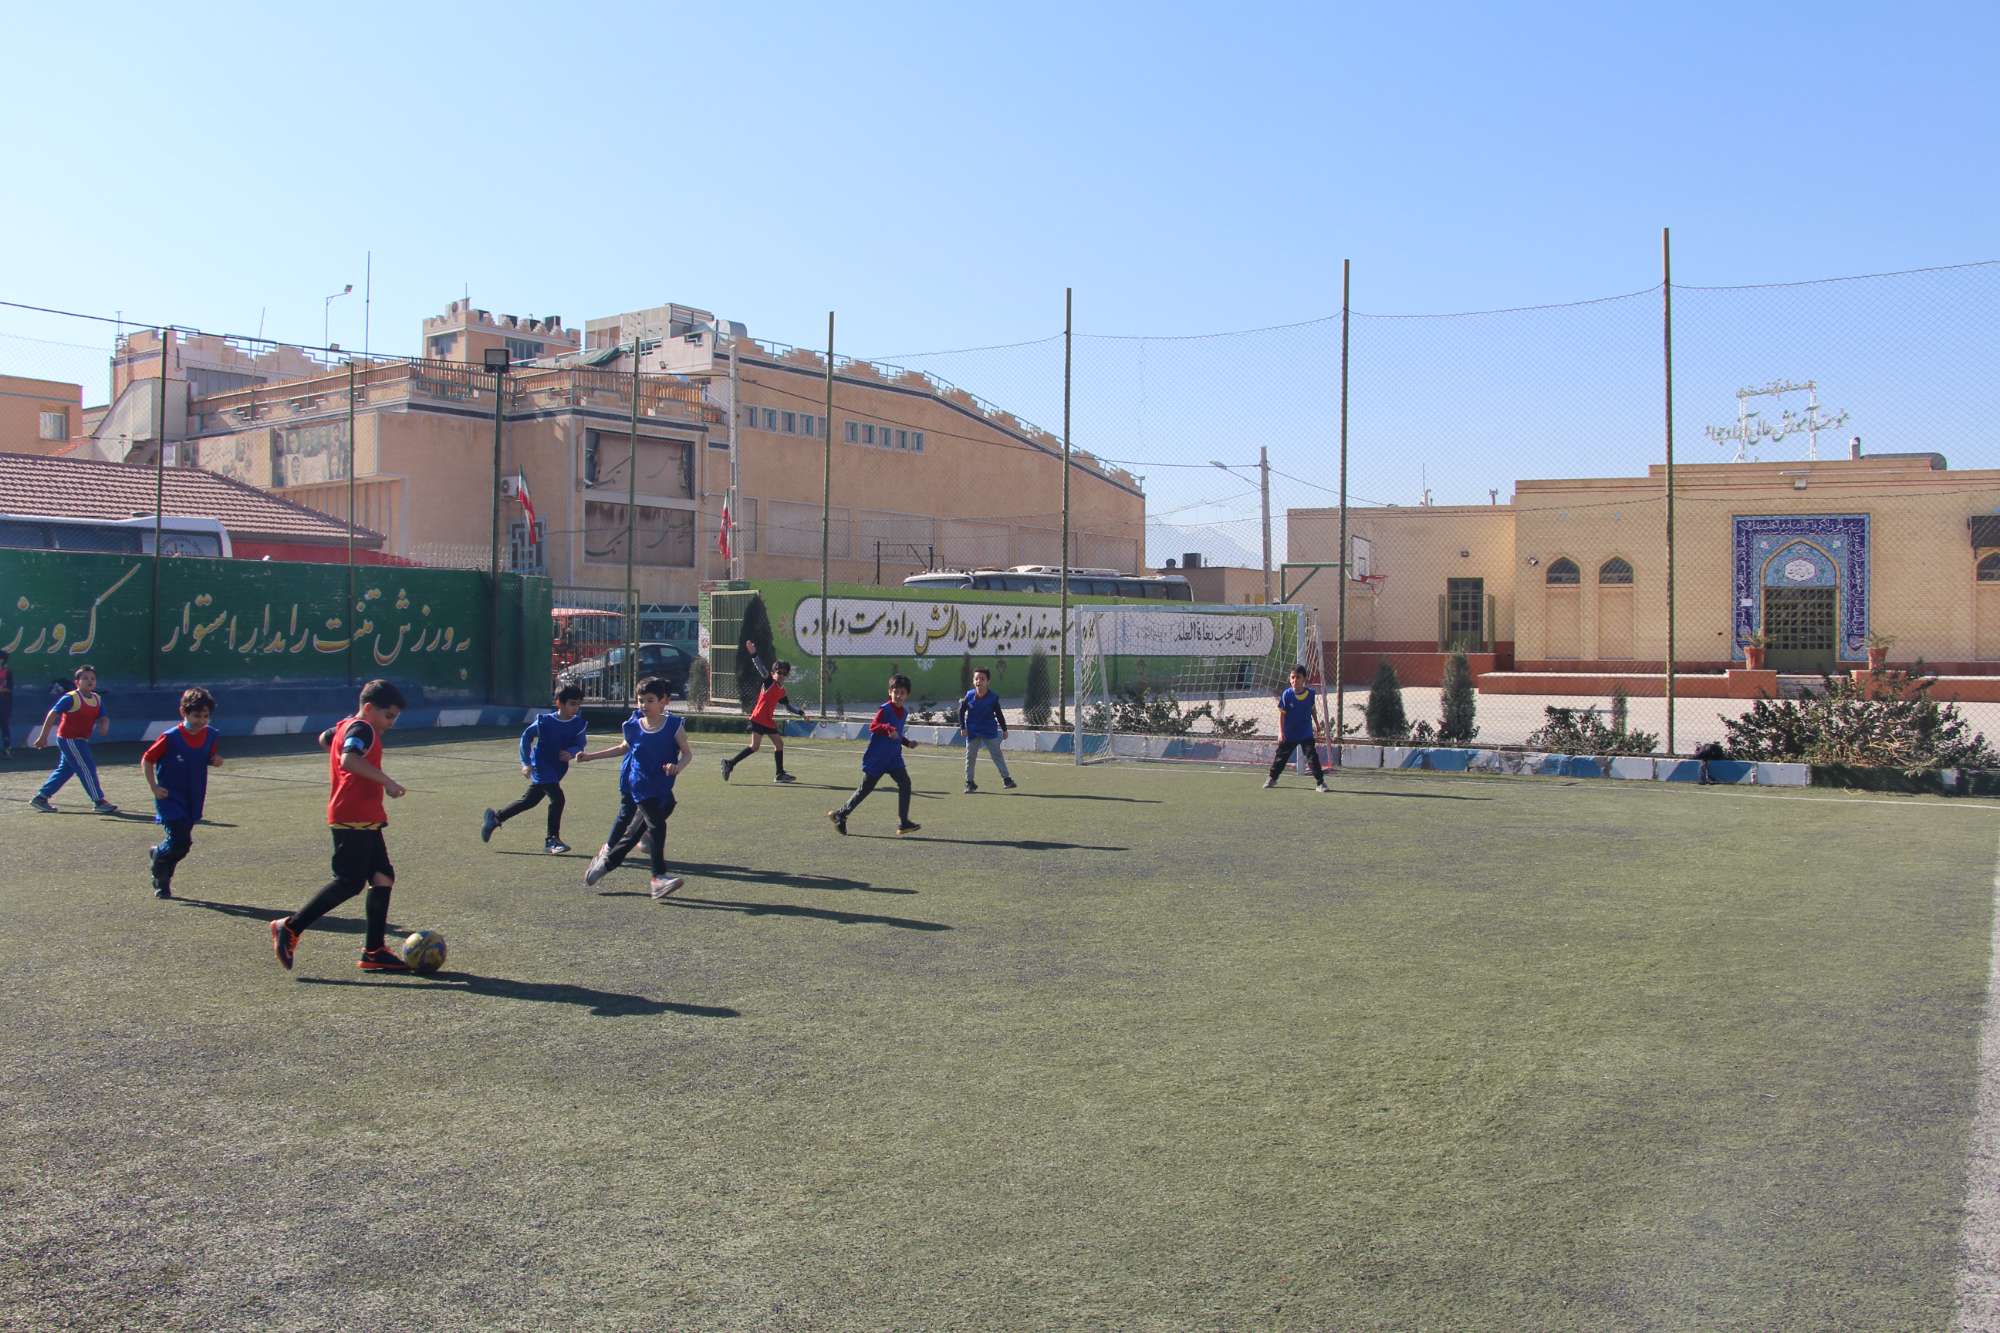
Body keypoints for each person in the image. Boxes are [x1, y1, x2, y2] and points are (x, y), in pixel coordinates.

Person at [269, 679, 411, 973]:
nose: (391, 723)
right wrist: (386, 781)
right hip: (353, 816)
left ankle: (374, 951)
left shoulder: (346, 725)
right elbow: (348, 759)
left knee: (383, 877)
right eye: (388, 716)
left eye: (395, 717)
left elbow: (326, 739)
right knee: (349, 882)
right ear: (369, 708)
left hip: (365, 816)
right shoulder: (363, 728)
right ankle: (291, 926)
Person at [578, 677, 691, 899]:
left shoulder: (674, 725)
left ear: (663, 701)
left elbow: (687, 753)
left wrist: (678, 767)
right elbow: (622, 748)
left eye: (650, 700)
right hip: (640, 785)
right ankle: (658, 878)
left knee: (638, 830)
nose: (644, 705)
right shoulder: (632, 727)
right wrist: (590, 756)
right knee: (657, 826)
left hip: (662, 787)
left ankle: (605, 864)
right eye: (640, 700)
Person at [482, 683, 588, 853]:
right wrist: (526, 763)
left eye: (578, 704)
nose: (576, 708)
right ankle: (552, 840)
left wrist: (571, 752)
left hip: (557, 768)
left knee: (529, 801)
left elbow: (580, 744)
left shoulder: (578, 724)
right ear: (559, 703)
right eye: (572, 704)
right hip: (541, 765)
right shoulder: (544, 722)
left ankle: (495, 818)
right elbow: (526, 737)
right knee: (558, 799)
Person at [142, 687, 222, 899]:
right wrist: (154, 787)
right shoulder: (171, 737)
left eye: (205, 716)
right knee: (179, 840)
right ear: (183, 712)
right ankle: (162, 878)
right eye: (196, 716)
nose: (201, 721)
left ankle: (160, 860)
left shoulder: (211, 735)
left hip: (193, 796)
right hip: (169, 797)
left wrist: (215, 760)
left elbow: (207, 756)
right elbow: (147, 759)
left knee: (182, 845)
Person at [829, 674, 921, 836]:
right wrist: (887, 728)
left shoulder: (904, 712)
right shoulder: (885, 709)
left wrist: (907, 743)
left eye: (902, 693)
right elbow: (873, 726)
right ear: (890, 692)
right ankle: (841, 814)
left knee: (905, 784)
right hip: (878, 758)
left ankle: (904, 822)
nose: (899, 696)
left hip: (894, 758)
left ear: (907, 695)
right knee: (865, 789)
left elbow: (897, 733)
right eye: (896, 692)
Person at [29, 663, 116, 813]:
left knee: (66, 770)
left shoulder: (97, 698)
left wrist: (104, 726)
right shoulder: (71, 698)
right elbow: (52, 714)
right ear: (77, 682)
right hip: (69, 739)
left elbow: (104, 717)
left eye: (92, 678)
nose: (90, 681)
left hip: (81, 739)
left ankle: (41, 798)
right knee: (87, 767)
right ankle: (99, 801)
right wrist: (43, 737)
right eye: (85, 678)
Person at [722, 640, 806, 783]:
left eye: (784, 673)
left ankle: (779, 774)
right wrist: (753, 653)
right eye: (779, 672)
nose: (781, 675)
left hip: (768, 721)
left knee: (779, 744)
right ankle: (729, 763)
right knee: (755, 747)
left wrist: (801, 713)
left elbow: (788, 706)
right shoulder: (769, 683)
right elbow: (760, 667)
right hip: (758, 719)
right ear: (773, 673)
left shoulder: (782, 691)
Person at [1263, 665, 1329, 793]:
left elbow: (1312, 709)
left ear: (1304, 679)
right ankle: (1272, 778)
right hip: (1290, 733)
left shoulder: (1310, 694)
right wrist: (1281, 732)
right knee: (1281, 757)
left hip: (1306, 733)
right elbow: (1282, 715)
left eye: (1298, 677)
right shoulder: (1287, 695)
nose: (1295, 680)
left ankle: (1321, 783)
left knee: (1312, 758)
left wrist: (1317, 724)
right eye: (1292, 677)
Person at [958, 666, 1017, 794]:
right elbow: (961, 711)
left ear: (988, 681)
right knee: (970, 757)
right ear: (973, 681)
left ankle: (1007, 780)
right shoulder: (969, 695)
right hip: (973, 731)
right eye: (976, 679)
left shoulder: (993, 698)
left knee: (997, 755)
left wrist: (1004, 729)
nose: (979, 681)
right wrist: (962, 727)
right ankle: (969, 783)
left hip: (989, 730)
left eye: (982, 679)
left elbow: (999, 714)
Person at [0, 648, 14, 758]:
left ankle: (7, 748)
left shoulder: (7, 672)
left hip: (4, 703)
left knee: (4, 725)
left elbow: (9, 688)